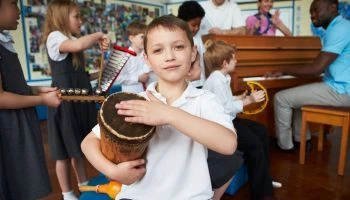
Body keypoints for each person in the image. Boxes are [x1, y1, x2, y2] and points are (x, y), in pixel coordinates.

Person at [81, 15, 237, 200]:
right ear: (146, 59)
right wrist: (113, 171)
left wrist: (169, 114)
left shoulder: (205, 100)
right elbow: (88, 142)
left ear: (193, 52)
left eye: (178, 47)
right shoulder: (135, 101)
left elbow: (228, 145)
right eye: (158, 50)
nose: (169, 56)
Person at [41, 0, 110, 199]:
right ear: (62, 17)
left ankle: (83, 183)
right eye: (76, 16)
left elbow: (79, 74)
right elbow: (78, 44)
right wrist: (99, 35)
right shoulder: (55, 37)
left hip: (80, 102)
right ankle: (67, 193)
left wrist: (99, 72)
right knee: (63, 152)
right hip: (65, 105)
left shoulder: (70, 39)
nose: (80, 21)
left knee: (79, 147)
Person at [178, 2, 244, 199]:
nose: (196, 28)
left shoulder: (206, 90)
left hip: (199, 101)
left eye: (199, 24)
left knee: (231, 156)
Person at [267, 0, 350, 151]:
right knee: (297, 97)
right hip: (341, 87)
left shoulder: (339, 29)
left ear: (332, 8)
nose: (312, 15)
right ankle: (302, 141)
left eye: (316, 10)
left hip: (343, 91)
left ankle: (285, 146)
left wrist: (284, 70)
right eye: (311, 12)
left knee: (281, 98)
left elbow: (316, 69)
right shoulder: (339, 27)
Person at [0, 0, 61, 199]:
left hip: (18, 122)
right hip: (8, 128)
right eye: (13, 4)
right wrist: (42, 101)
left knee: (23, 182)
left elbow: (13, 85)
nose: (19, 10)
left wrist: (37, 89)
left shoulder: (4, 41)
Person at [203, 40, 279, 200]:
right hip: (222, 126)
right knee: (254, 144)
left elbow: (224, 101)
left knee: (262, 131)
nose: (236, 60)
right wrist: (249, 100)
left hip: (229, 120)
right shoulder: (215, 81)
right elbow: (224, 109)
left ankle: (264, 179)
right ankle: (262, 193)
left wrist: (238, 97)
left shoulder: (222, 77)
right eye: (234, 58)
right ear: (225, 63)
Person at [113, 20, 150, 93]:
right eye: (142, 37)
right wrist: (137, 78)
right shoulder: (123, 56)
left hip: (148, 94)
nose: (145, 40)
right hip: (131, 93)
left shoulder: (148, 54)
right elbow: (117, 78)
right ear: (131, 38)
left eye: (147, 37)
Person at [178, 0, 207, 88]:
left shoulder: (197, 37)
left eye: (199, 25)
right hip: (189, 84)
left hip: (201, 81)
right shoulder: (179, 38)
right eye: (194, 25)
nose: (197, 28)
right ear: (182, 21)